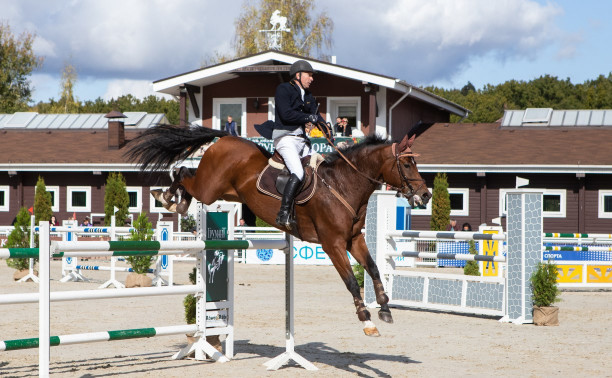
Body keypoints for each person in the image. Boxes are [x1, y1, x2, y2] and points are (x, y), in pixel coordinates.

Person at [272, 59, 324, 229]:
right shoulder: (283, 89)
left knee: (319, 169)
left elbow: (316, 115)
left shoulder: (308, 96)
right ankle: (283, 213)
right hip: (285, 138)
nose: (312, 78)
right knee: (298, 172)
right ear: (298, 75)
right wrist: (309, 118)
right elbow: (286, 115)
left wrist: (325, 126)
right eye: (309, 75)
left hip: (302, 140)